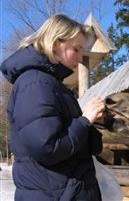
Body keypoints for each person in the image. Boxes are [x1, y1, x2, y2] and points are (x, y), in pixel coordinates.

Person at [1, 14, 105, 201]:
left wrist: (91, 124)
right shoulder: (35, 83)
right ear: (56, 43)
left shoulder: (49, 83)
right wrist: (84, 120)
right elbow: (48, 147)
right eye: (77, 49)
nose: (81, 58)